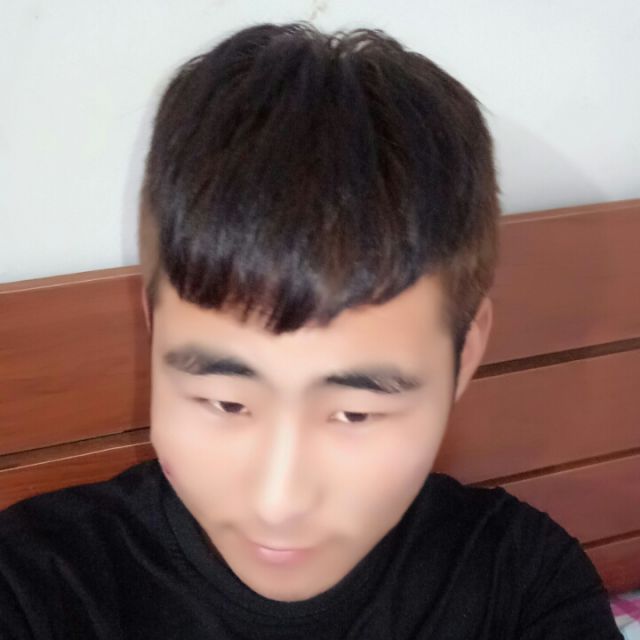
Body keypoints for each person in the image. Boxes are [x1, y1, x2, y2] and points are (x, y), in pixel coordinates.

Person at [0, 21, 621, 639]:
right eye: (226, 402)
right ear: (154, 329)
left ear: (466, 354)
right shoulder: (34, 587)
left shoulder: (522, 586)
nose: (279, 503)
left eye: (355, 413)